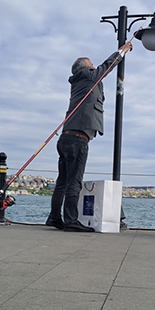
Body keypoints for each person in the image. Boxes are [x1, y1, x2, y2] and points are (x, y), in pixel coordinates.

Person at [46, 42, 133, 232]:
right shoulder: (87, 75)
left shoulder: (79, 82)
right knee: (74, 181)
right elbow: (106, 67)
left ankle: (54, 217)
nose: (94, 67)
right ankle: (71, 221)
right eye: (91, 65)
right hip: (78, 138)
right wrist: (122, 51)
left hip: (66, 137)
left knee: (62, 182)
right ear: (85, 68)